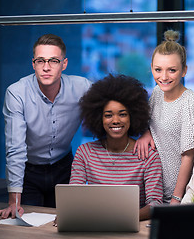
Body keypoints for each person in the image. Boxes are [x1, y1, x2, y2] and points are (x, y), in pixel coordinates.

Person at [0, 34, 92, 219]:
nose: (46, 67)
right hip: (29, 173)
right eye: (40, 61)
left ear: (64, 64)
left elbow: (114, 107)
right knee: (27, 226)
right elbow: (15, 148)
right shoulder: (16, 93)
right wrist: (14, 202)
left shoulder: (82, 87)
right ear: (33, 64)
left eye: (53, 61)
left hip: (64, 168)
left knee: (67, 223)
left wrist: (144, 132)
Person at [69, 74, 163, 221]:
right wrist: (68, 213)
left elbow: (155, 204)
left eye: (122, 114)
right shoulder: (85, 152)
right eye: (108, 115)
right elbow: (73, 197)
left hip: (132, 226)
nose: (116, 121)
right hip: (94, 225)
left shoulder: (148, 155)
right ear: (99, 118)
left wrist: (121, 219)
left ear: (133, 116)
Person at [133, 30, 194, 204]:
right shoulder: (157, 93)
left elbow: (189, 156)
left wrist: (176, 197)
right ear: (151, 69)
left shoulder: (191, 102)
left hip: (183, 193)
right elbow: (151, 122)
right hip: (155, 189)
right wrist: (146, 133)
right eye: (158, 70)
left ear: (184, 71)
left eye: (172, 70)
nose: (163, 77)